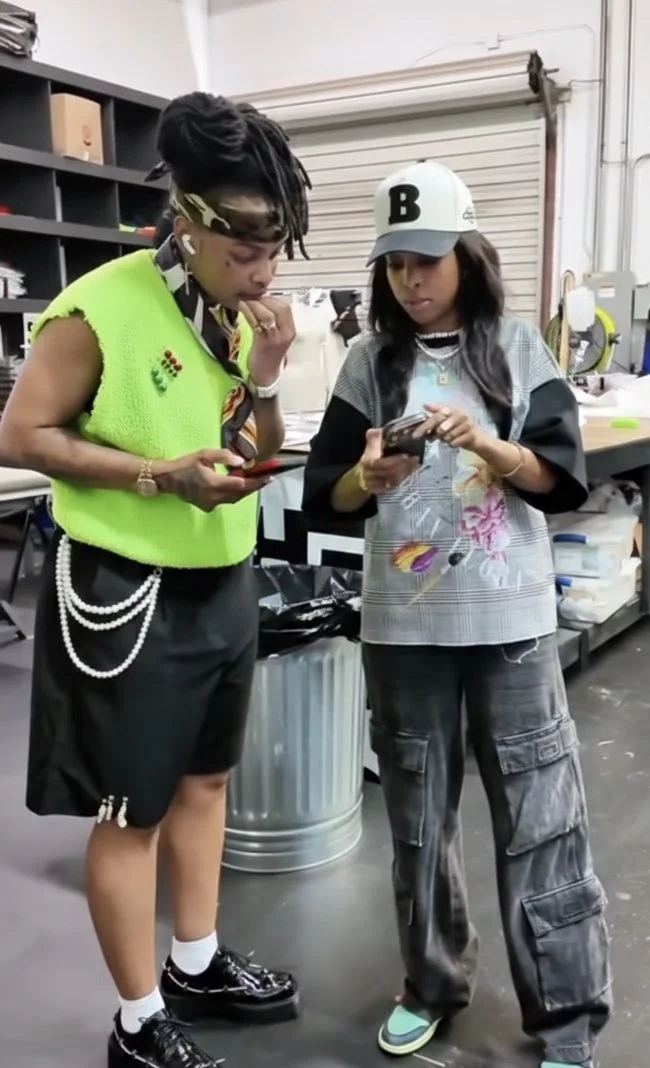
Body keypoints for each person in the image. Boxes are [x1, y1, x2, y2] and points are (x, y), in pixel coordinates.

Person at [0, 91, 312, 1068]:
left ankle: (197, 958)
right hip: (123, 594)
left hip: (220, 578)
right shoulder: (96, 308)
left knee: (206, 783)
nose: (261, 274)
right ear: (187, 224)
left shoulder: (230, 318)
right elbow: (20, 436)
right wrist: (153, 475)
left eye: (274, 253)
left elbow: (252, 439)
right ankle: (137, 1025)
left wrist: (263, 378)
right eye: (245, 254)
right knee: (128, 812)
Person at [302, 161, 611, 1068]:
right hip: (407, 633)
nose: (412, 278)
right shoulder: (369, 362)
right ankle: (432, 982)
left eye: (429, 259)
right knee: (417, 826)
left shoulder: (517, 349)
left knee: (542, 819)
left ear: (468, 256)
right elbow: (330, 493)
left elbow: (560, 479)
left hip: (511, 628)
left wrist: (491, 445)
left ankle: (565, 1013)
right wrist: (372, 475)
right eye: (396, 262)